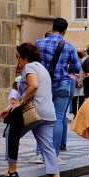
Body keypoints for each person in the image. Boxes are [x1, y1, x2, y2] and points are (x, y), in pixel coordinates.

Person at [0, 43, 63, 177]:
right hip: (48, 113)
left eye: (18, 57)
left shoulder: (29, 67)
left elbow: (33, 86)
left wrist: (20, 102)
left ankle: (12, 170)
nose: (18, 60)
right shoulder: (42, 68)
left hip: (34, 112)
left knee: (10, 133)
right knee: (47, 146)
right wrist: (10, 108)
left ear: (24, 57)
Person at [36, 18, 82, 155]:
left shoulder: (39, 44)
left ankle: (40, 152)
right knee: (58, 117)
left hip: (43, 85)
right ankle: (53, 153)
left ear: (52, 27)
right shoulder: (69, 46)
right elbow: (76, 68)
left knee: (41, 117)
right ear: (65, 30)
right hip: (62, 84)